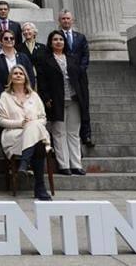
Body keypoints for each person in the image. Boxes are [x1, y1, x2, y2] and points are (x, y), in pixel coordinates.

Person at [37, 31, 90, 176]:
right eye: (55, 39)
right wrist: (46, 98)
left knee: (73, 132)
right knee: (59, 133)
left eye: (61, 39)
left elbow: (81, 79)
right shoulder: (45, 60)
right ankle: (64, 165)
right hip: (56, 100)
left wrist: (84, 98)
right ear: (50, 42)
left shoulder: (72, 59)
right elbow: (42, 82)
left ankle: (76, 164)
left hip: (74, 99)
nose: (58, 42)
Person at [0, 65, 52, 201]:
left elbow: (43, 118)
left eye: (21, 73)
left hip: (35, 133)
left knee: (34, 129)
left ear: (25, 77)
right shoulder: (5, 96)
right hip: (14, 135)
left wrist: (31, 124)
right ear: (11, 77)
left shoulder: (34, 96)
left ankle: (24, 163)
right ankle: (40, 187)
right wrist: (20, 123)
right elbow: (1, 121)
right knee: (38, 140)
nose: (18, 75)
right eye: (15, 73)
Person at [0, 29, 36, 143]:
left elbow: (30, 76)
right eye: (6, 38)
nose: (9, 40)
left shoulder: (23, 57)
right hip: (2, 96)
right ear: (1, 41)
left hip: (22, 96)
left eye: (11, 38)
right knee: (6, 124)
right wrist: (5, 94)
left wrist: (27, 92)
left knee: (23, 123)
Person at [58, 9, 93, 147]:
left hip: (80, 77)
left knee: (84, 104)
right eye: (63, 18)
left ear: (72, 20)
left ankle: (87, 135)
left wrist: (80, 70)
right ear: (59, 21)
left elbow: (85, 55)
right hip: (65, 77)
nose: (66, 21)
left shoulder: (80, 37)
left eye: (68, 18)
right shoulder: (57, 37)